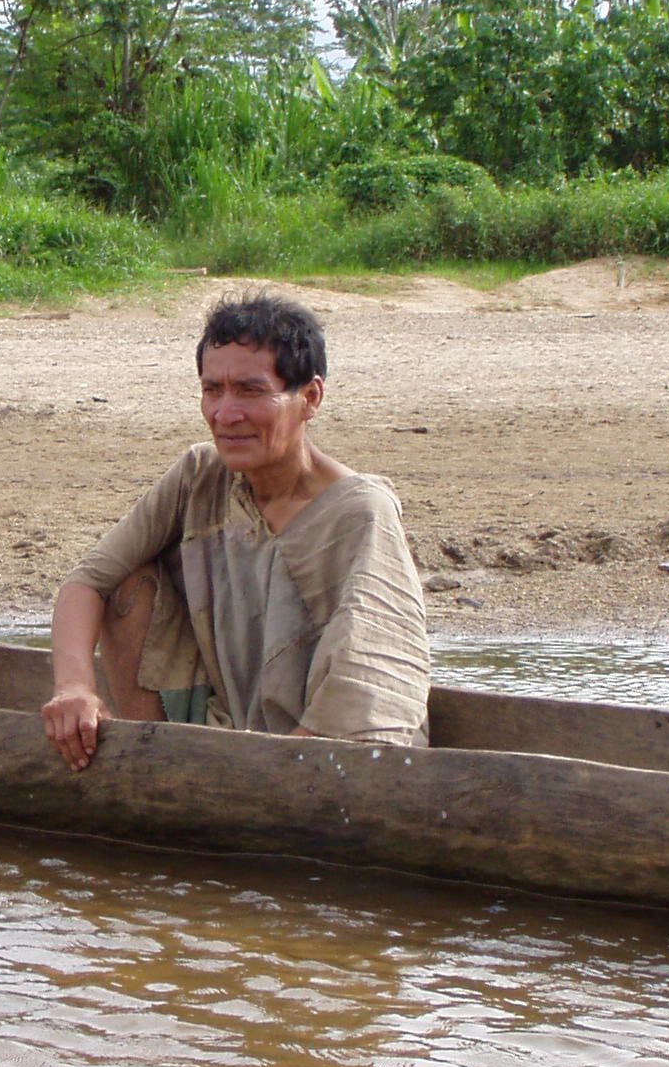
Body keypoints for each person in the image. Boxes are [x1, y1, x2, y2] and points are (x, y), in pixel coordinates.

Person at [42, 294, 429, 771]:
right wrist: (75, 688)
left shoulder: (361, 511)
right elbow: (87, 582)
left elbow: (371, 668)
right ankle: (156, 763)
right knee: (128, 583)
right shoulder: (199, 476)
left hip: (326, 754)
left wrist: (288, 767)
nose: (225, 414)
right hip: (226, 730)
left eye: (250, 390)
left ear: (309, 398)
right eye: (212, 390)